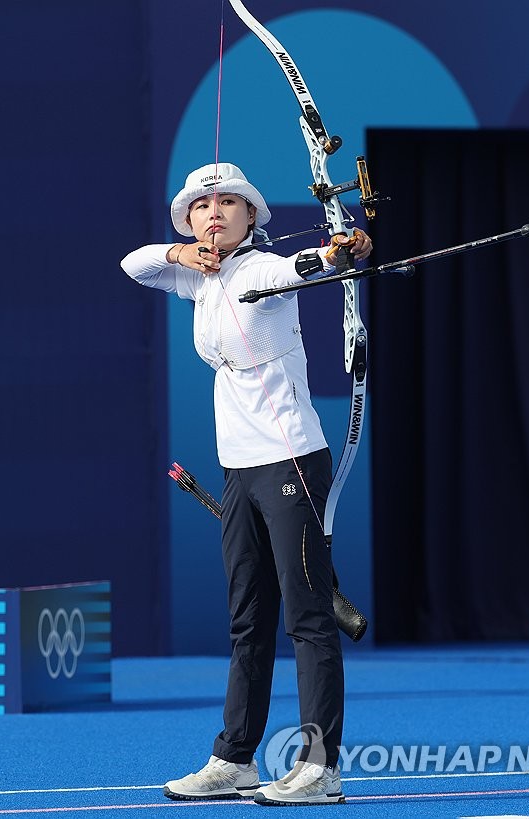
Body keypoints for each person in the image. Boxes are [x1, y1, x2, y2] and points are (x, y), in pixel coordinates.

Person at [120, 163, 371, 807]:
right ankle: (235, 760)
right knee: (247, 622)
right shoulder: (196, 277)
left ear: (252, 216)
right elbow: (135, 264)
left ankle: (319, 767)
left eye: (228, 202)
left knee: (309, 618)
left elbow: (306, 266)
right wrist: (184, 253)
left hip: (291, 460)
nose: (214, 212)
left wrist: (340, 250)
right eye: (202, 206)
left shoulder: (261, 270)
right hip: (237, 469)